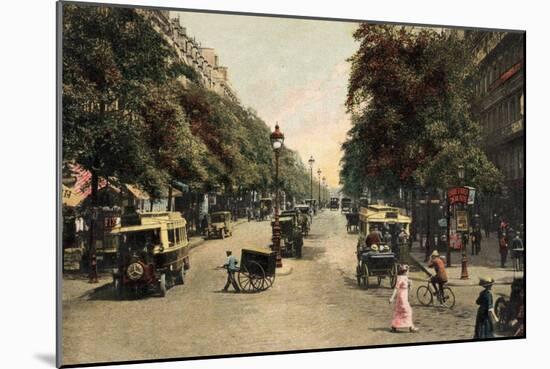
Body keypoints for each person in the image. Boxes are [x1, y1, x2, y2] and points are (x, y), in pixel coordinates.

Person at [389, 264, 419, 333]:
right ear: (404, 272)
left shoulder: (404, 277)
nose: (408, 272)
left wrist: (410, 284)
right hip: (402, 297)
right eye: (408, 271)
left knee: (399, 312)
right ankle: (411, 327)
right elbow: (396, 288)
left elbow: (408, 285)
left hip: (404, 296)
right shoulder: (401, 278)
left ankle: (394, 326)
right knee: (408, 311)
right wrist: (392, 298)